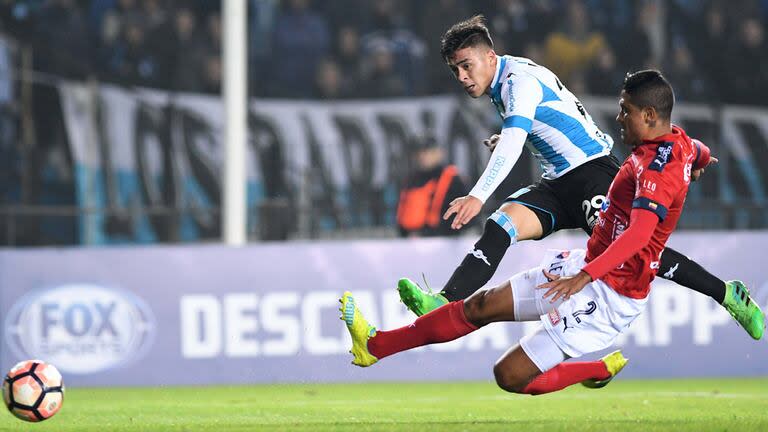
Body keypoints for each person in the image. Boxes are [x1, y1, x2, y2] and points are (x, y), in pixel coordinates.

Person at [341, 70, 725, 394]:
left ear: (650, 114)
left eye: (626, 111)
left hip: (610, 295)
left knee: (508, 376)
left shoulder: (657, 168)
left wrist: (585, 278)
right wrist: (703, 160)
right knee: (479, 306)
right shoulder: (675, 144)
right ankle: (376, 344)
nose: (619, 117)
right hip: (585, 265)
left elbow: (640, 237)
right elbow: (697, 150)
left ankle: (595, 369)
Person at [396, 15, 764, 340]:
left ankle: (727, 294)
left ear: (489, 57)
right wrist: (514, 138)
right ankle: (442, 301)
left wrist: (478, 192)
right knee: (500, 226)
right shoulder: (505, 81)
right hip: (557, 185)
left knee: (640, 253)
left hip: (593, 175)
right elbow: (536, 126)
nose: (462, 77)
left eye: (466, 65)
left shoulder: (517, 81)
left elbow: (516, 137)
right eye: (454, 70)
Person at [396, 136, 468, 237]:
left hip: (445, 241)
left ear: (439, 153)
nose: (423, 156)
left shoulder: (452, 178)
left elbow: (465, 215)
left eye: (428, 152)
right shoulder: (412, 179)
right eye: (419, 152)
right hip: (411, 242)